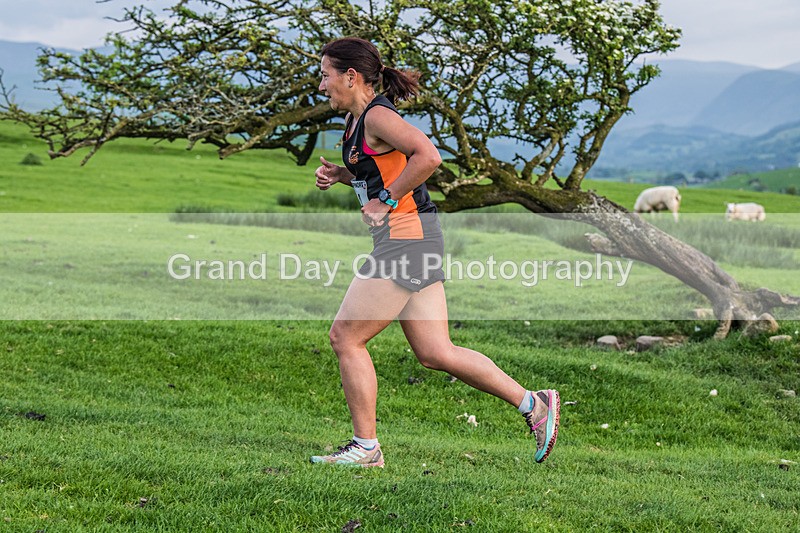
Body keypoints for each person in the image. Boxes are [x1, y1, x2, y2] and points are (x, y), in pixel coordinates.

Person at [309, 37, 559, 468]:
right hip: (416, 238)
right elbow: (382, 166)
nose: (320, 85)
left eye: (325, 75)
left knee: (345, 337)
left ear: (350, 76)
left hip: (405, 239)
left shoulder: (379, 115)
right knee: (436, 352)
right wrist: (345, 174)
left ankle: (366, 448)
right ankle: (533, 404)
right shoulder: (357, 121)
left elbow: (428, 157)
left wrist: (383, 200)